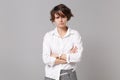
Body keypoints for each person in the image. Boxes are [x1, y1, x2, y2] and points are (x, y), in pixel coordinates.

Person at [42, 4, 83, 80]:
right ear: (54, 19)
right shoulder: (48, 36)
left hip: (69, 75)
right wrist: (69, 58)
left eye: (63, 16)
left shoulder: (75, 35)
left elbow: (78, 57)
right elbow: (46, 59)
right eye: (57, 17)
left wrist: (57, 55)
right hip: (51, 76)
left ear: (67, 17)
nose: (60, 20)